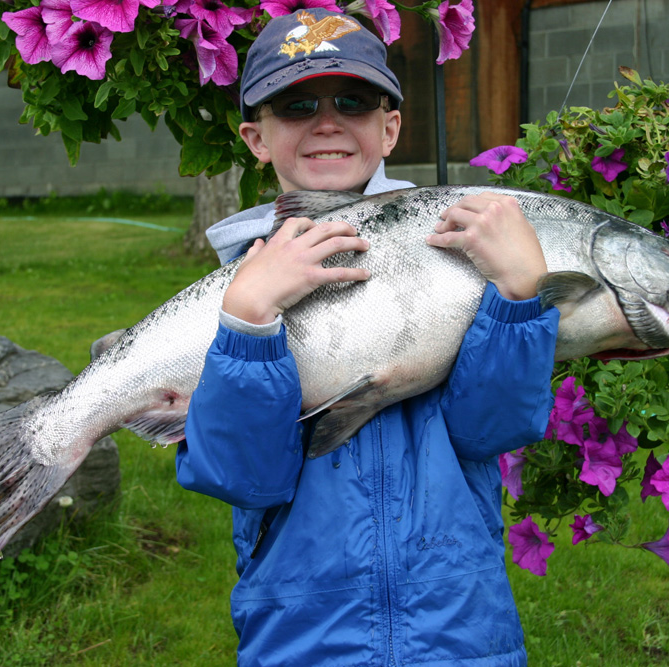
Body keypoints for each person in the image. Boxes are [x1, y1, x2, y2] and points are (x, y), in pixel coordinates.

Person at [175, 8, 560, 666]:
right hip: (303, 642)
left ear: (389, 128)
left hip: (462, 635)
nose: (327, 122)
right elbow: (244, 476)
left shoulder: (458, 251)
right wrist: (247, 321)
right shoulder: (238, 290)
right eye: (295, 106)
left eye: (352, 101)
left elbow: (490, 429)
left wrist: (521, 298)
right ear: (255, 137)